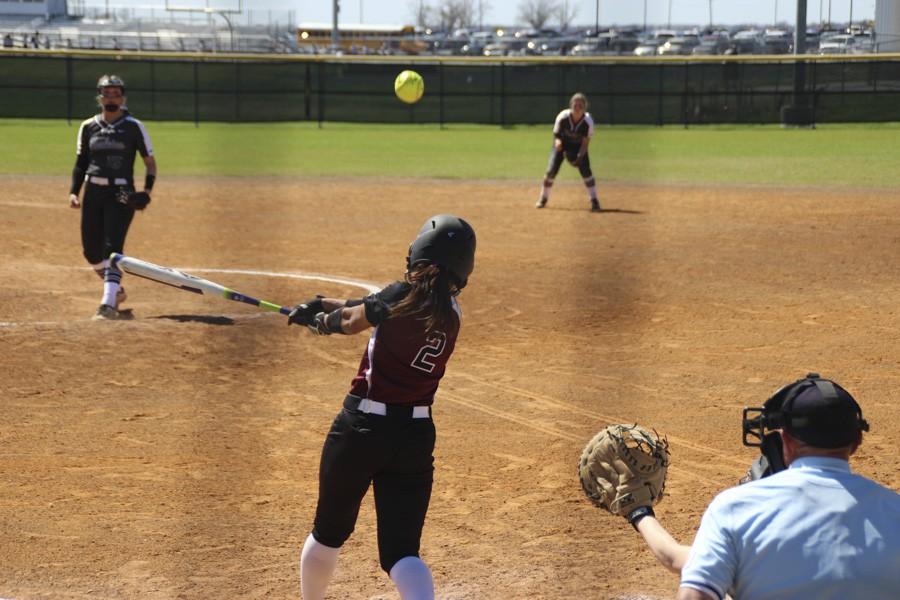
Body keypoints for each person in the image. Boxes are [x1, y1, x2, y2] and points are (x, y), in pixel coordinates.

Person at [288, 214, 476, 600]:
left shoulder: (398, 296)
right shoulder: (451, 313)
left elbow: (355, 319)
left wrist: (322, 322)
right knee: (402, 554)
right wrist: (323, 304)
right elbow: (371, 306)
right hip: (415, 437)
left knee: (328, 535)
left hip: (361, 430)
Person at [629, 373, 900, 599]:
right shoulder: (894, 513)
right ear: (856, 442)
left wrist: (639, 513)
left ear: (786, 441)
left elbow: (689, 584)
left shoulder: (736, 508)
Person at [68, 74, 157, 320]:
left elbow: (150, 164)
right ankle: (115, 289)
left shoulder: (133, 126)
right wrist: (74, 192)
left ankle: (107, 304)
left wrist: (146, 192)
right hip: (93, 189)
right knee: (91, 251)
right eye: (107, 93)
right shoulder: (88, 127)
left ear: (123, 98)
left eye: (116, 93)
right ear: (99, 97)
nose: (111, 97)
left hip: (121, 192)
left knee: (112, 247)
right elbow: (81, 163)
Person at [535, 92, 601, 212]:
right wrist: (558, 143)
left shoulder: (588, 122)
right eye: (575, 105)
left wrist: (580, 156)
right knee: (550, 171)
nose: (577, 108)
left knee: (586, 171)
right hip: (561, 146)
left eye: (580, 106)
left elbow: (585, 143)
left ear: (585, 108)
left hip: (578, 147)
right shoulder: (563, 117)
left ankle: (594, 200)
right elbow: (556, 136)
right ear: (571, 105)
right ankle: (543, 198)